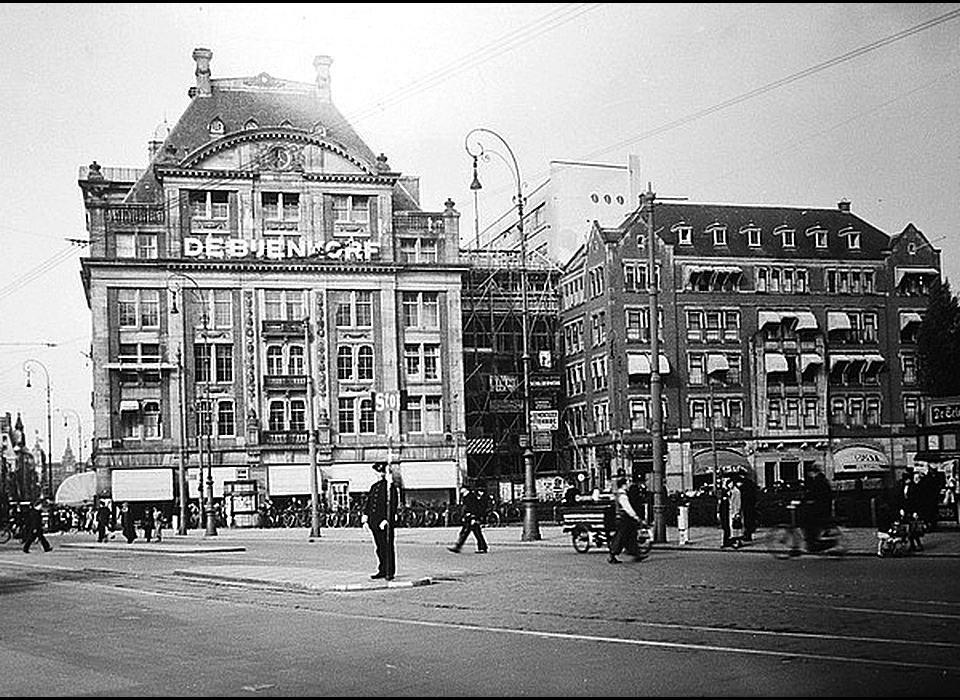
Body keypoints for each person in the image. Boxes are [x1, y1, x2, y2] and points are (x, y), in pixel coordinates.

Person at [362, 461, 399, 580]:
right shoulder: (374, 487)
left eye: (379, 472)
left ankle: (389, 571)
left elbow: (392, 506)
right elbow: (369, 503)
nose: (378, 475)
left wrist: (387, 520)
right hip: (374, 522)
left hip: (384, 523)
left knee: (387, 547)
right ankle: (381, 569)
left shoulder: (390, 487)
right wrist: (365, 516)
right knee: (378, 547)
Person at [448, 482, 491, 554]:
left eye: (462, 488)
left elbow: (473, 508)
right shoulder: (467, 496)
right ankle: (482, 547)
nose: (461, 490)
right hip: (469, 517)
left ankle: (459, 547)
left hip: (472, 517)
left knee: (471, 533)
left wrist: (473, 517)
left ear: (465, 489)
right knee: (473, 533)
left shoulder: (470, 497)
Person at [608, 475, 642, 563]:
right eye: (627, 483)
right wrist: (635, 516)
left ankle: (636, 554)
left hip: (620, 518)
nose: (628, 485)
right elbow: (627, 508)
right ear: (623, 485)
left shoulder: (617, 494)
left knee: (629, 535)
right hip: (624, 518)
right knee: (621, 537)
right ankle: (612, 554)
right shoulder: (623, 495)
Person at [801, 464, 833, 552]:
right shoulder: (822, 480)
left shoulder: (818, 481)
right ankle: (814, 540)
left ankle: (812, 542)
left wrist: (806, 500)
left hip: (819, 508)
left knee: (807, 521)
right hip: (824, 506)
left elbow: (814, 494)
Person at [735, 473, 758, 542]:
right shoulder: (751, 483)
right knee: (749, 519)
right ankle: (748, 534)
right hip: (750, 504)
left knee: (746, 519)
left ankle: (746, 534)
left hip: (745, 504)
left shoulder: (744, 485)